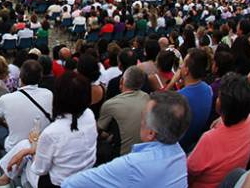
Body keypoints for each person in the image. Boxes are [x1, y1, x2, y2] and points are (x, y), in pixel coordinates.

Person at [0, 71, 97, 188]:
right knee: (25, 145)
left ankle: (6, 177)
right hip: (83, 178)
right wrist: (30, 149)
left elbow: (39, 169)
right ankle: (6, 177)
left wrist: (30, 150)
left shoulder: (53, 132)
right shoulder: (89, 115)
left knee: (25, 155)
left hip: (56, 184)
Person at [62, 91, 191, 188]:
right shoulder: (179, 154)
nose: (140, 122)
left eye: (143, 118)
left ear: (151, 133)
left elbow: (70, 184)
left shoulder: (133, 165)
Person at [187, 72, 250, 188]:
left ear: (221, 104)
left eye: (219, 97)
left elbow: (189, 172)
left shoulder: (209, 139)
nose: (217, 99)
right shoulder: (249, 120)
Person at [0, 60, 53, 159]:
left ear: (20, 77)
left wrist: (7, 122)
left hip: (15, 146)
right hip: (39, 144)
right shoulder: (49, 94)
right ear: (40, 77)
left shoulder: (6, 99)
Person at [98, 66, 150, 156]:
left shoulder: (111, 104)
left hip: (122, 157)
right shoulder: (147, 98)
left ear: (122, 81)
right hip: (145, 152)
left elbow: (97, 132)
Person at [176, 48, 213, 153]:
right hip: (194, 141)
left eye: (182, 64)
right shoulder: (208, 89)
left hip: (180, 146)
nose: (180, 66)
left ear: (186, 70)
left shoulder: (179, 98)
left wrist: (172, 82)